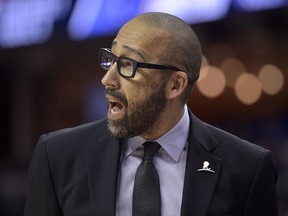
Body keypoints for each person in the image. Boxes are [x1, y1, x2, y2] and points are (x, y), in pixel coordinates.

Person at [24, 12, 278, 216]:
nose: (107, 79)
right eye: (111, 59)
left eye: (127, 65)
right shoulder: (56, 157)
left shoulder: (248, 167)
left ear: (175, 85)